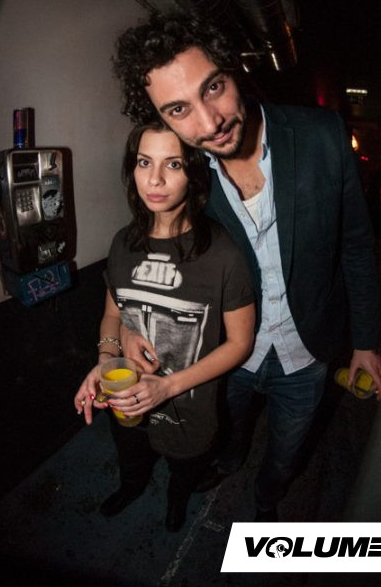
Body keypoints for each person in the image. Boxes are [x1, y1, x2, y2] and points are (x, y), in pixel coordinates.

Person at [112, 10, 381, 521]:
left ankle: (267, 498)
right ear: (162, 118)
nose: (209, 123)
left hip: (308, 350)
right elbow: (152, 248)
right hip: (228, 353)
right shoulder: (186, 171)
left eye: (213, 88)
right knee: (228, 431)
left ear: (235, 69)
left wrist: (366, 342)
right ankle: (228, 462)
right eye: (178, 110)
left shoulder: (322, 136)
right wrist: (125, 327)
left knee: (286, 450)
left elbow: (356, 246)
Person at [74, 120, 255, 531]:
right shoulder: (123, 244)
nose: (154, 179)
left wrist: (168, 387)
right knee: (132, 457)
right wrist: (105, 360)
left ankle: (177, 501)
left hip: (189, 410)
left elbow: (240, 343)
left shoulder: (223, 254)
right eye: (144, 162)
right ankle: (131, 487)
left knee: (184, 470)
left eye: (173, 164)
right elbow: (113, 314)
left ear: (194, 173)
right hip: (126, 397)